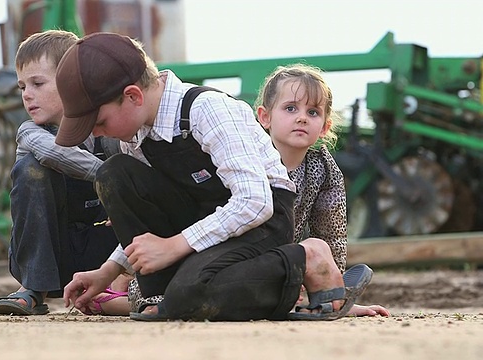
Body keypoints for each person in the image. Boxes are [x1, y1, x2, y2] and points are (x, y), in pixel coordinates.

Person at [57, 32, 373, 321]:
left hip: (261, 222)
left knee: (191, 297)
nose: (97, 133)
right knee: (114, 174)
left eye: (98, 122)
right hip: (203, 226)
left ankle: (305, 257)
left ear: (133, 96)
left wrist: (174, 245)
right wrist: (108, 271)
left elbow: (254, 202)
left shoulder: (207, 110)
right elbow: (149, 222)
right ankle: (171, 295)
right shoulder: (134, 135)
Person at [0, 30, 130, 316]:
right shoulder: (30, 132)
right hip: (55, 250)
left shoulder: (106, 127)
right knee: (32, 169)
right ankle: (33, 288)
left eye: (38, 83)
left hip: (103, 250)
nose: (27, 95)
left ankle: (121, 281)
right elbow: (58, 153)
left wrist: (127, 195)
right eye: (22, 87)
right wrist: (115, 179)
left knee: (129, 165)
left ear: (71, 81)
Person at [255, 63, 389, 318]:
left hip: (286, 262)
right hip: (240, 258)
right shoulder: (251, 160)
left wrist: (334, 293)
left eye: (313, 112)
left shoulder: (323, 167)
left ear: (325, 127)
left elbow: (332, 235)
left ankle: (327, 300)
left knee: (317, 245)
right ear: (265, 117)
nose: (302, 117)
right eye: (290, 108)